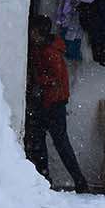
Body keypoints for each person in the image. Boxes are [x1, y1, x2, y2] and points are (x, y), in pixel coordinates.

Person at [23, 15, 90, 193]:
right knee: (40, 141)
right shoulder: (39, 48)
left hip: (54, 103)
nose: (31, 35)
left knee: (59, 143)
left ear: (41, 33)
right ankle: (45, 179)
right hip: (45, 102)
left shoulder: (50, 52)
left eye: (34, 32)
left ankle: (78, 181)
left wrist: (37, 81)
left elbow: (55, 79)